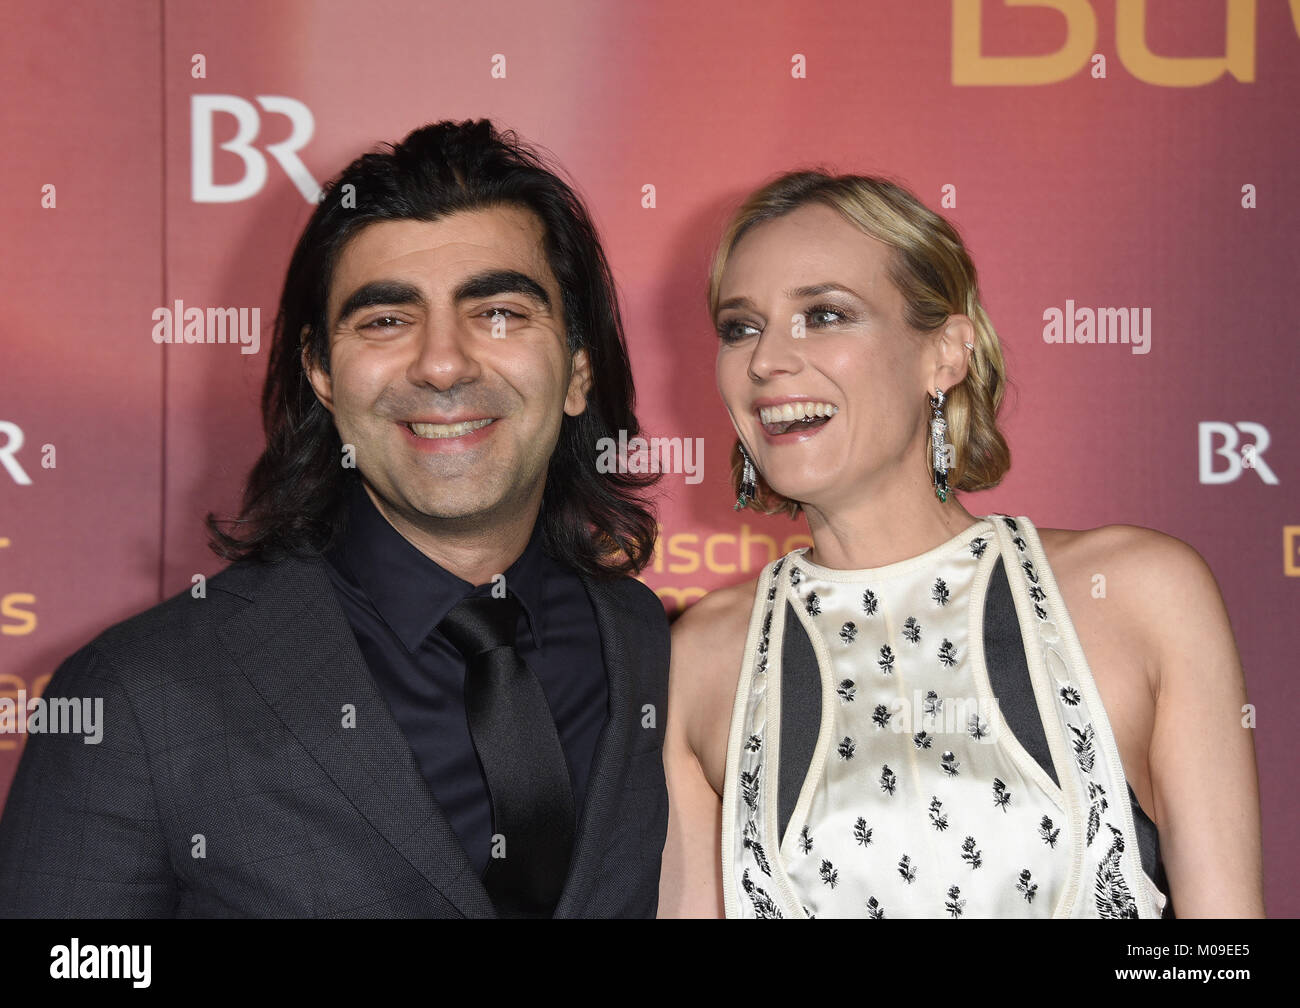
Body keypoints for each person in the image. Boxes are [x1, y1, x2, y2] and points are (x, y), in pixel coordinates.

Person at [0, 119, 670, 919]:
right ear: (320, 372)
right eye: (386, 320)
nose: (443, 362)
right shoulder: (139, 699)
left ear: (577, 369)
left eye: (497, 312)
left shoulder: (659, 651)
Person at [659, 171, 1264, 919]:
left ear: (945, 354)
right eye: (740, 327)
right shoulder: (699, 659)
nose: (766, 361)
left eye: (824, 314)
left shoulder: (1142, 591)